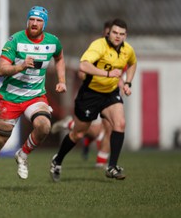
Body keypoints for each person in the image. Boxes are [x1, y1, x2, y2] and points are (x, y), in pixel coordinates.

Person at [0, 6, 67, 194]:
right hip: (10, 98)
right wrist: (20, 66)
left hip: (35, 96)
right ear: (28, 21)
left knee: (44, 126)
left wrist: (61, 80)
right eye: (32, 19)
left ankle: (23, 154)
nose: (35, 23)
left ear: (45, 23)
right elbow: (1, 69)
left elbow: (59, 58)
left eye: (39, 20)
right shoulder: (15, 41)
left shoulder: (53, 42)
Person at [50, 18, 137, 181]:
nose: (118, 36)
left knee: (120, 124)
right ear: (108, 33)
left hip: (110, 94)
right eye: (115, 33)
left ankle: (111, 167)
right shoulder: (98, 46)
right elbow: (83, 66)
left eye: (122, 34)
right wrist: (108, 74)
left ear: (126, 35)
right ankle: (57, 160)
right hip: (90, 95)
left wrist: (127, 83)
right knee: (79, 133)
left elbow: (133, 63)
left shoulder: (128, 50)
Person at [51, 20, 114, 167]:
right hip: (92, 96)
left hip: (109, 97)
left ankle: (102, 162)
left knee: (110, 127)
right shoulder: (97, 50)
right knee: (93, 131)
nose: (113, 37)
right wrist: (100, 76)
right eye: (110, 33)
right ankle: (71, 124)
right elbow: (82, 72)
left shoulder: (122, 53)